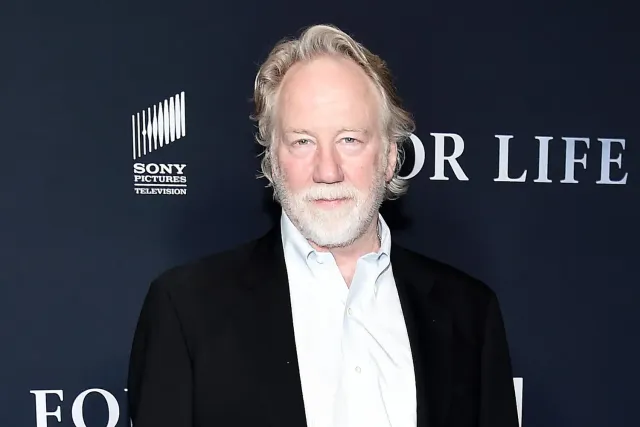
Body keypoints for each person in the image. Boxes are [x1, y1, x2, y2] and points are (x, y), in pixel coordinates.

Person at [127, 24, 520, 427]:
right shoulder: (186, 310)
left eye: (349, 140)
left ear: (389, 157)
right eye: (302, 141)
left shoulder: (470, 314)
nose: (327, 171)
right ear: (273, 160)